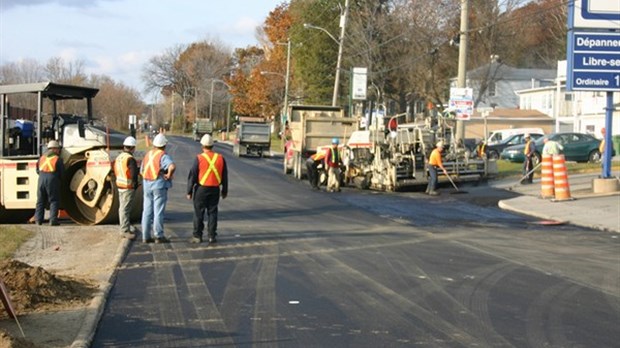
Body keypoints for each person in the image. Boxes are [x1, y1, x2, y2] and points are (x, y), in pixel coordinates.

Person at [187, 134, 228, 244]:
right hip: (215, 189)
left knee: (198, 213)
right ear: (212, 146)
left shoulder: (199, 158)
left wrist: (189, 191)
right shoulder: (220, 158)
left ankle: (197, 236)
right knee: (212, 212)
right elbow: (225, 176)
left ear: (202, 146)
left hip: (201, 189)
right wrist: (224, 190)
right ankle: (211, 236)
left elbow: (193, 175)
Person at [140, 133, 176, 243]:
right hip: (159, 185)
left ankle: (145, 236)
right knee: (158, 211)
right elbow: (172, 166)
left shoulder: (147, 155)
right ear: (164, 145)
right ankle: (159, 235)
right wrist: (169, 174)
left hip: (147, 185)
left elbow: (142, 171)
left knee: (146, 211)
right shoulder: (163, 155)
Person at [114, 136, 139, 240]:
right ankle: (124, 230)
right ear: (132, 147)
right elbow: (133, 174)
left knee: (122, 208)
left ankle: (125, 228)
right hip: (127, 186)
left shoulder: (120, 157)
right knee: (125, 209)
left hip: (120, 185)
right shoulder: (130, 159)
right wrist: (135, 183)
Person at [34, 140, 64, 226]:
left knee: (40, 200)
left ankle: (38, 220)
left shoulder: (41, 158)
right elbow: (62, 173)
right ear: (54, 149)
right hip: (52, 179)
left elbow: (37, 170)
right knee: (54, 200)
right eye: (58, 149)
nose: (59, 151)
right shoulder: (58, 159)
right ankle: (53, 220)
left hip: (41, 179)